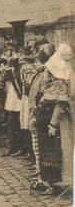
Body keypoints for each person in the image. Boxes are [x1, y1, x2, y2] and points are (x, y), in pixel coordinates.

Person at [30, 44, 73, 195]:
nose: (46, 72)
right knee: (45, 150)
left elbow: (60, 105)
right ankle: (46, 179)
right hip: (45, 118)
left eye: (48, 70)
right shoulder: (51, 81)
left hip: (53, 121)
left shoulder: (60, 82)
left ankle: (52, 182)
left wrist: (53, 124)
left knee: (52, 151)